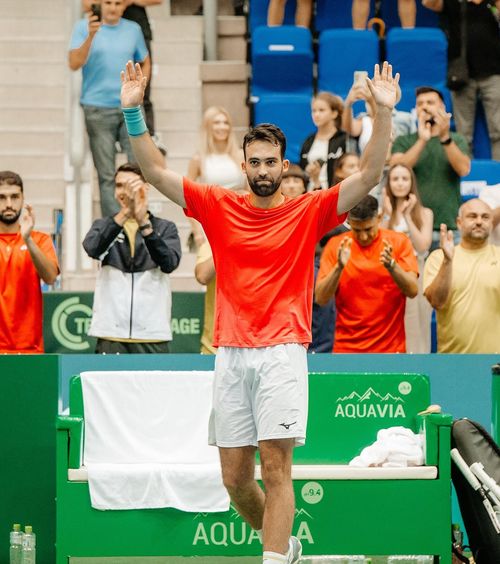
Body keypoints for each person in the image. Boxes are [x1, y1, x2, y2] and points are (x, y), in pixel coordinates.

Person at [120, 59, 398, 564]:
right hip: (230, 352)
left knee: (276, 468)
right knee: (233, 479)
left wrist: (383, 115)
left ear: (283, 164)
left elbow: (373, 174)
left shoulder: (308, 210)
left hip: (282, 353)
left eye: (273, 162)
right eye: (257, 162)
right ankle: (286, 546)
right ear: (244, 165)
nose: (265, 170)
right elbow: (154, 171)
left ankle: (272, 559)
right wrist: (132, 111)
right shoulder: (216, 204)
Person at [82, 162, 181, 353]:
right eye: (119, 186)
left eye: (131, 185)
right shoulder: (104, 225)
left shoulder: (165, 228)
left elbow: (169, 263)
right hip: (111, 333)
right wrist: (127, 212)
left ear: (146, 187)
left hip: (152, 334)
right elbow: (92, 248)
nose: (125, 192)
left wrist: (144, 224)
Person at [69, 0, 150, 217]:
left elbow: (145, 60)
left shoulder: (133, 29)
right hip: (96, 109)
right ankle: (114, 228)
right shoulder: (82, 27)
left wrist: (140, 88)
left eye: (117, 2)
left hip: (129, 108)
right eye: (107, 2)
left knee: (138, 167)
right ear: (98, 5)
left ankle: (139, 219)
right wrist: (91, 36)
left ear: (124, 6)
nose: (112, 7)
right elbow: (74, 63)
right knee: (106, 174)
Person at [316, 195, 418, 353]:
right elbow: (321, 299)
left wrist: (392, 266)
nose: (363, 236)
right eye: (356, 230)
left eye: (368, 229)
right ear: (349, 223)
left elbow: (413, 291)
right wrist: (339, 268)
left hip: (390, 350)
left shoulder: (399, 242)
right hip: (347, 350)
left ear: (379, 218)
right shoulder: (336, 246)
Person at [391, 86, 471, 248]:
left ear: (442, 108)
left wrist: (445, 137)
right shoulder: (404, 141)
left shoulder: (456, 139)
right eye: (420, 103)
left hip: (448, 227)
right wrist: (422, 140)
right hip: (411, 226)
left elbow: (464, 169)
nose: (425, 107)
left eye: (430, 102)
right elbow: (397, 168)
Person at [422, 0, 500, 160]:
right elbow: (428, 3)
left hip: (494, 71)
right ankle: (467, 178)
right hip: (461, 75)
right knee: (463, 134)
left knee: (499, 130)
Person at [423, 198, 500, 353]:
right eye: (472, 216)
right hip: (453, 363)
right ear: (459, 222)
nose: (479, 221)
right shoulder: (439, 257)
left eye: (485, 217)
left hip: (496, 364)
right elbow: (436, 302)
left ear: (492, 223)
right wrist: (448, 261)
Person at [81, 0, 163, 140]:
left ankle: (148, 136)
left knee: (141, 88)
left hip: (136, 26)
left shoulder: (134, 29)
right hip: (105, 29)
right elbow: (87, 4)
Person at [0, 171, 59, 353]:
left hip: (30, 350)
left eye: (15, 197)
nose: (9, 204)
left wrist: (28, 240)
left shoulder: (39, 239)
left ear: (23, 198)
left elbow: (50, 277)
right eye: (2, 197)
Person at [380, 163, 433, 352]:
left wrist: (408, 216)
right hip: (390, 272)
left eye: (405, 179)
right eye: (395, 179)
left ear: (412, 182)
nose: (400, 183)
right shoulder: (384, 213)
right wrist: (386, 215)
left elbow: (422, 245)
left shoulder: (425, 213)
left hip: (415, 271)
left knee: (418, 322)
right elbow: (381, 243)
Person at [187, 106, 246, 249]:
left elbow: (251, 189)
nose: (222, 127)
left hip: (239, 219)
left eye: (226, 123)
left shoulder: (240, 155)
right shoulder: (198, 159)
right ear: (208, 126)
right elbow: (187, 199)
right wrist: (197, 232)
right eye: (217, 122)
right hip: (211, 221)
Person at [299, 92, 346, 190]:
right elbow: (302, 171)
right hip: (310, 194)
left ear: (334, 113)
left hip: (335, 194)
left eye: (321, 110)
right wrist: (307, 171)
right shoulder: (308, 140)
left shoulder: (344, 139)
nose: (316, 114)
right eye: (314, 111)